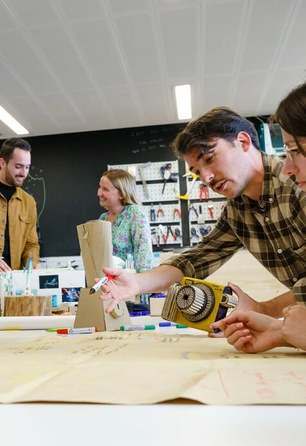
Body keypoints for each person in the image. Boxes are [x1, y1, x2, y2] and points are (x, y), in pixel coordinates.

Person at [96, 106, 306, 321]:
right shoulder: (237, 210)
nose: (206, 178)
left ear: (243, 142)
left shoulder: (298, 186)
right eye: (197, 172)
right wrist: (137, 283)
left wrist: (265, 310)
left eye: (209, 159)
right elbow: (195, 261)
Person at [216, 81, 306, 352]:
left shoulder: (292, 193)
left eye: (295, 150)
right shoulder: (235, 210)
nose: (288, 168)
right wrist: (277, 330)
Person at [0, 137, 41, 272]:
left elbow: (31, 243)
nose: (24, 173)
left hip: (14, 281)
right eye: (18, 167)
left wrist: (32, 263)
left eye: (27, 167)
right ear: (2, 163)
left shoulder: (29, 202)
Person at [97, 168, 153, 273]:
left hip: (130, 285)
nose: (99, 193)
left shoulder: (135, 214)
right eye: (100, 187)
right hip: (106, 284)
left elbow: (144, 258)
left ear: (122, 194)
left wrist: (141, 285)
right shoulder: (103, 218)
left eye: (105, 189)